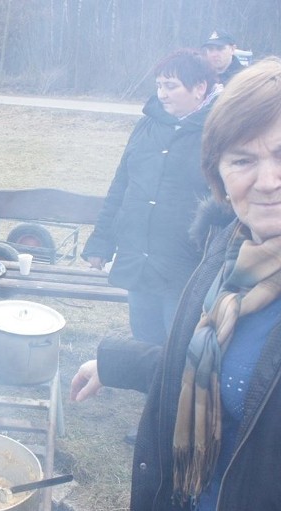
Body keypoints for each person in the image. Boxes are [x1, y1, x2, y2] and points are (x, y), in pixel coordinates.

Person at [70, 58, 281, 511]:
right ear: (217, 172)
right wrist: (116, 363)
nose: (266, 180)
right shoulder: (229, 251)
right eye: (241, 160)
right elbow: (215, 370)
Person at [82, 49, 219, 345]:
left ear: (200, 88)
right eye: (159, 85)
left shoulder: (219, 130)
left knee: (179, 344)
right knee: (144, 338)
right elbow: (121, 186)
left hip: (185, 264)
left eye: (171, 86)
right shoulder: (147, 124)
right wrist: (101, 241)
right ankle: (150, 391)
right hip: (138, 258)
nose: (162, 94)